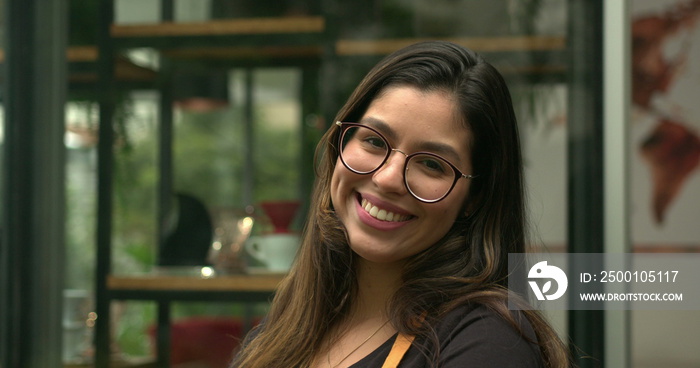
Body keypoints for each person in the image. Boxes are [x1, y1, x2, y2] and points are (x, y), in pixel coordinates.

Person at [230, 41, 571, 368]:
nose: (387, 178)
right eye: (375, 141)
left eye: (432, 164)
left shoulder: (486, 341)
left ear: (475, 198)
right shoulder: (286, 328)